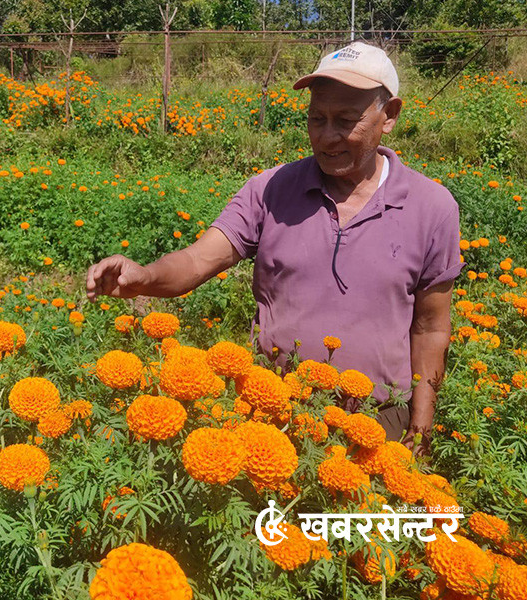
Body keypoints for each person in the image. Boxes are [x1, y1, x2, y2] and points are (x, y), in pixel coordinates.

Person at [85, 41, 462, 455]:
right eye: (316, 118)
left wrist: (420, 427)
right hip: (273, 409)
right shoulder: (269, 189)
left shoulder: (431, 208)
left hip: (377, 421)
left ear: (388, 116)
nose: (327, 135)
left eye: (346, 120)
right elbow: (197, 259)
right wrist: (145, 277)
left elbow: (430, 329)